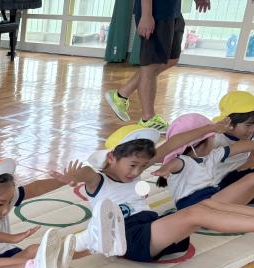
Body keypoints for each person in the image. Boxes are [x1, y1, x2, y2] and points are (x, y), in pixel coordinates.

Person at [60, 123, 254, 262]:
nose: (136, 172)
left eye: (142, 166)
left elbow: (173, 143)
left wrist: (210, 128)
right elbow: (87, 173)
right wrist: (77, 175)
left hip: (149, 225)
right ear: (111, 157)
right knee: (196, 212)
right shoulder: (98, 180)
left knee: (207, 204)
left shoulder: (133, 172)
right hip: (128, 236)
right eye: (133, 165)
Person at [104, 0, 211, 131]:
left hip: (172, 10)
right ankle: (147, 118)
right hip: (156, 12)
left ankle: (121, 94)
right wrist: (146, 15)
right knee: (151, 65)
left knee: (172, 59)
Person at [154, 113, 254, 209]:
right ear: (198, 143)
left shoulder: (212, 156)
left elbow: (242, 146)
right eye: (212, 137)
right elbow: (173, 164)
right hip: (194, 204)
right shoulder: (182, 160)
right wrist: (164, 169)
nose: (214, 139)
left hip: (212, 198)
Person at [211, 91, 254, 192]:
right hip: (221, 182)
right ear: (229, 123)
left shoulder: (246, 134)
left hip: (241, 171)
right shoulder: (215, 138)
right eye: (248, 125)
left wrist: (249, 163)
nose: (252, 130)